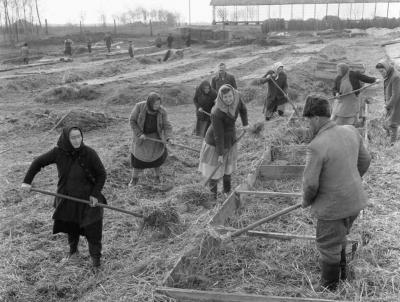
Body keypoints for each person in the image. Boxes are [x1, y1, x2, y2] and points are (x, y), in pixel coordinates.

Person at [302, 95, 371, 291]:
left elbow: (310, 186)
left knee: (327, 244)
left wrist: (306, 202)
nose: (308, 125)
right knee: (340, 237)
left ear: (315, 118)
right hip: (355, 202)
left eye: (308, 120)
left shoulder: (316, 146)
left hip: (333, 207)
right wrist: (349, 181)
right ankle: (342, 274)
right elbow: (365, 161)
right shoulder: (350, 130)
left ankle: (329, 286)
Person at [21, 126, 107, 269]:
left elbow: (101, 174)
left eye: (79, 136)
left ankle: (96, 262)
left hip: (88, 200)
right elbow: (38, 162)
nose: (77, 140)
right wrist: (27, 181)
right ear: (66, 138)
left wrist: (95, 194)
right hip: (67, 198)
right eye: (73, 137)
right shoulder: (58, 152)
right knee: (71, 226)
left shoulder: (89, 153)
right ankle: (73, 252)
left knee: (93, 230)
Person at [199, 84, 249, 199]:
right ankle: (213, 196)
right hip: (215, 143)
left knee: (228, 168)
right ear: (221, 97)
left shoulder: (237, 98)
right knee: (215, 171)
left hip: (230, 137)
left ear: (233, 94)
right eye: (225, 97)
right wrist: (220, 153)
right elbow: (218, 135)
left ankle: (226, 191)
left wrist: (245, 124)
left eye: (230, 96)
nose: (228, 99)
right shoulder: (217, 112)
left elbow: (243, 109)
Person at [129, 93, 173, 186]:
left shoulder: (162, 111)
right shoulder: (139, 106)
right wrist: (139, 133)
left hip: (156, 139)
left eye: (159, 104)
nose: (157, 106)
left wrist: (169, 137)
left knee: (156, 160)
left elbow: (167, 125)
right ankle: (134, 179)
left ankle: (157, 177)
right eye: (155, 104)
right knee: (137, 160)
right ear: (149, 103)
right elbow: (132, 121)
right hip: (142, 139)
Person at [376, 59, 400, 146]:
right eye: (379, 72)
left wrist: (387, 106)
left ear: (386, 67)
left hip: (396, 103)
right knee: (386, 122)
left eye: (382, 71)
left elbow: (395, 95)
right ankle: (389, 136)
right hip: (390, 103)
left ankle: (392, 145)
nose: (381, 73)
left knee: (393, 123)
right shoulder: (389, 75)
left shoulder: (395, 77)